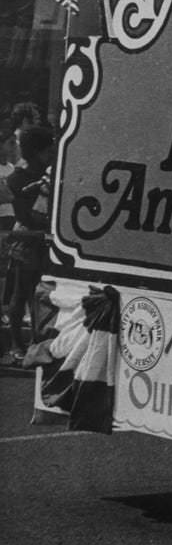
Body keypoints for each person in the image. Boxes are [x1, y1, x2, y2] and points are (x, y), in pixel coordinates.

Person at [2, 125, 55, 366]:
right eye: (48, 150)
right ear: (39, 152)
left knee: (43, 296)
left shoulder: (51, 173)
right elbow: (25, 217)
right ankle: (16, 343)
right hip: (27, 241)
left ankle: (37, 342)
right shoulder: (17, 178)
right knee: (21, 293)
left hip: (45, 241)